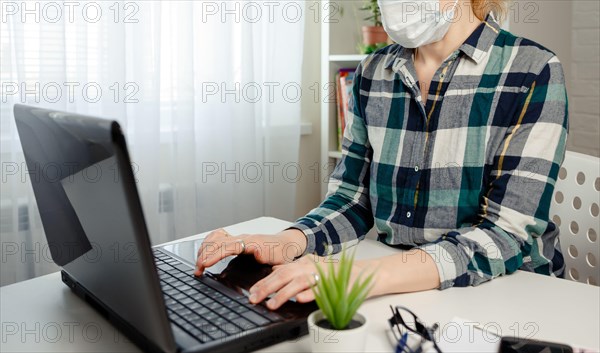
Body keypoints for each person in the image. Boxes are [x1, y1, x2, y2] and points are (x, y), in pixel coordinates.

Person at [195, 0, 568, 311]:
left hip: (510, 296)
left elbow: (505, 233)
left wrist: (357, 277)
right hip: (407, 291)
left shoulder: (533, 71)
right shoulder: (372, 73)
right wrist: (289, 240)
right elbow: (351, 200)